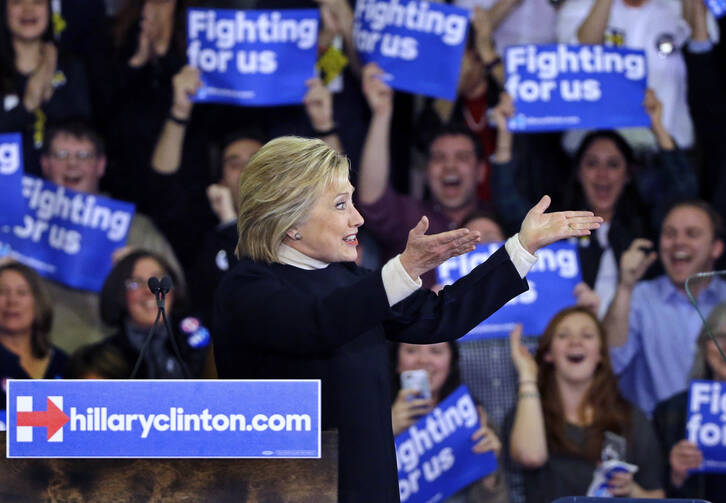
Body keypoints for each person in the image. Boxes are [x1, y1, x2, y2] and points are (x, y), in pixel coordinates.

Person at [212, 135, 601, 502]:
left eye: (353, 201)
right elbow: (317, 325)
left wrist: (521, 247)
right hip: (290, 493)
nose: (358, 218)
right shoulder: (246, 289)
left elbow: (439, 317)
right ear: (289, 221)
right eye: (340, 205)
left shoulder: (347, 280)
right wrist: (403, 268)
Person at [490, 91, 697, 317]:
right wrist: (504, 135)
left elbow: (684, 194)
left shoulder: (647, 225)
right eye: (592, 164)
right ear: (578, 172)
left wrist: (657, 126)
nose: (602, 175)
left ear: (628, 174)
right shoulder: (558, 227)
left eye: (613, 164)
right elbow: (508, 205)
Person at [37, 120, 184, 353]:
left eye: (84, 155)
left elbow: (178, 288)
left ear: (101, 165)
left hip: (117, 358)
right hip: (42, 356)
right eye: (61, 154)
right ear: (45, 164)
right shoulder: (20, 225)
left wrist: (141, 263)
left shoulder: (135, 227)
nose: (72, 163)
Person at [357, 63, 494, 288]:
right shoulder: (413, 219)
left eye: (461, 157)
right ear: (426, 170)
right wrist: (382, 114)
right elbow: (372, 199)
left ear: (481, 171)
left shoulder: (499, 219)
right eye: (439, 158)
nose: (449, 166)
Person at [507, 307, 665, 502]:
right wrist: (528, 376)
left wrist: (632, 492)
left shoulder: (630, 417)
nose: (576, 342)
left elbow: (658, 495)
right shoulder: (527, 412)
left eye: (587, 335)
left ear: (600, 354)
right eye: (563, 335)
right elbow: (531, 456)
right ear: (548, 353)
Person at [604, 200, 726, 415]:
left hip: (715, 433)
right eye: (670, 234)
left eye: (692, 234)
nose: (678, 242)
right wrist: (624, 287)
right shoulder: (638, 297)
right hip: (652, 438)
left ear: (716, 248)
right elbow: (609, 362)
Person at [391, 341, 508, 503]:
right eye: (411, 350)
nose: (424, 360)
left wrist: (488, 471)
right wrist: (383, 432)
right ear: (396, 362)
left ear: (451, 363)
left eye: (436, 351)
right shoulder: (368, 423)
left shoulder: (475, 421)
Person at [0, 0, 91, 174]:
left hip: (57, 190)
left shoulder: (70, 67)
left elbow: (83, 133)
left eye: (38, 2)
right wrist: (27, 107)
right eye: (17, 2)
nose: (28, 9)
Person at [653, 301, 726, 501]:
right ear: (704, 345)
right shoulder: (669, 413)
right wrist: (676, 476)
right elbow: (650, 492)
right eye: (720, 337)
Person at [97, 249, 209, 379]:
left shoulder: (200, 340)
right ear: (118, 293)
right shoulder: (105, 359)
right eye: (136, 283)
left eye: (159, 280)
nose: (150, 291)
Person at [0, 261, 66, 411]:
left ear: (38, 301)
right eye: (2, 292)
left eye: (22, 292)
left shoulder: (64, 363)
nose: (12, 301)